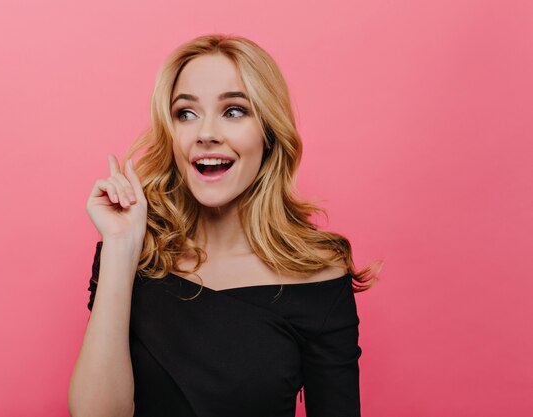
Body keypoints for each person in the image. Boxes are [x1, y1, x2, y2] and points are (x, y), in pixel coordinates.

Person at [68, 33, 381, 417]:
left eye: (233, 111)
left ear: (268, 132)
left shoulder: (318, 277)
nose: (206, 134)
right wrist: (119, 248)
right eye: (186, 113)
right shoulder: (135, 255)